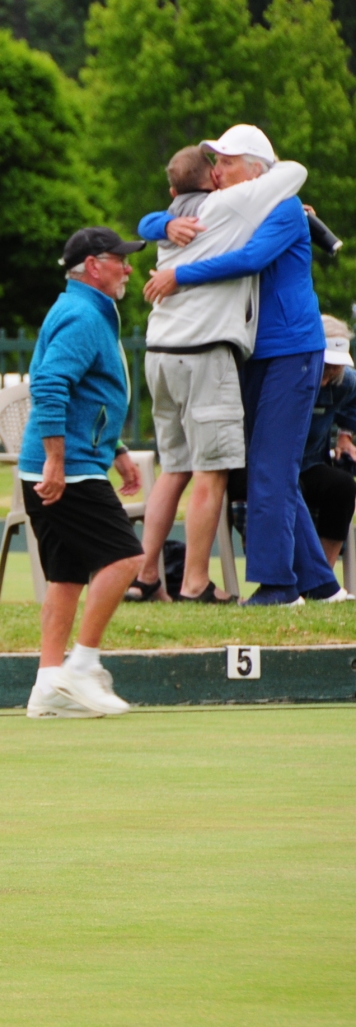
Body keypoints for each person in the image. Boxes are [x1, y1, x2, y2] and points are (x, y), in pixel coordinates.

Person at [144, 125, 343, 605]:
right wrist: (162, 227)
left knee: (270, 469)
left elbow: (252, 259)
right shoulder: (232, 207)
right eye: (215, 161)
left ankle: (279, 586)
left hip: (290, 349)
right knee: (269, 468)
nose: (217, 170)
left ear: (256, 169)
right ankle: (320, 585)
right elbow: (154, 218)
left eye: (227, 162)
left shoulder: (284, 208)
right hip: (258, 352)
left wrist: (178, 274)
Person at [19, 228, 146, 718]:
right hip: (67, 469)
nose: (128, 268)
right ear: (94, 265)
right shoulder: (83, 314)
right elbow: (50, 384)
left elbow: (88, 392)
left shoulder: (86, 309)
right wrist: (55, 460)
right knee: (126, 558)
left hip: (68, 461)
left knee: (66, 575)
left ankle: (48, 684)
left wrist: (116, 449)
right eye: (120, 260)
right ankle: (81, 666)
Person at [298, 316, 356, 572]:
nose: (328, 375)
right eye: (325, 366)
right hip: (267, 467)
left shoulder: (346, 382)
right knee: (288, 492)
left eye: (335, 367)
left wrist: (345, 436)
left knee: (342, 486)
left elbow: (352, 405)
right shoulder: (283, 375)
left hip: (310, 463)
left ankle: (322, 576)